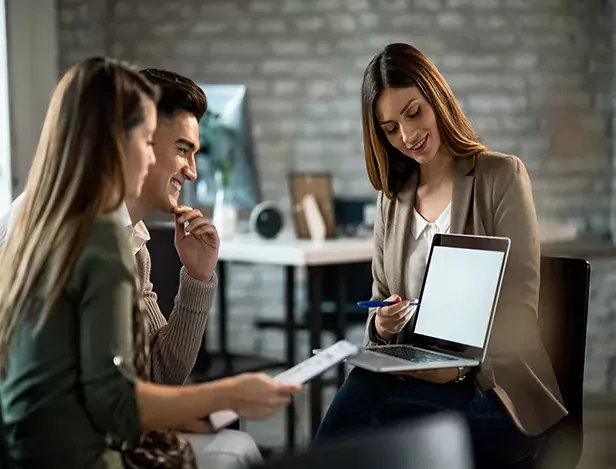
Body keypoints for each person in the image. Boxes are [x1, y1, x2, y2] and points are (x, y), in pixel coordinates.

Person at [0, 57, 301, 469]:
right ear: (116, 142)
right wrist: (226, 395)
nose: (193, 173)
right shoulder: (95, 236)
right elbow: (115, 401)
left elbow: (154, 373)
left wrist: (197, 277)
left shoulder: (121, 233)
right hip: (76, 453)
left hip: (57, 443)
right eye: (147, 140)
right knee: (237, 450)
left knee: (235, 449)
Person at [313, 43, 567, 468]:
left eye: (413, 113)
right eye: (390, 128)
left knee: (371, 410)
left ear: (436, 98)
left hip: (497, 392)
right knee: (369, 393)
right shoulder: (391, 200)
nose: (407, 136)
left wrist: (460, 369)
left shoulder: (500, 176)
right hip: (422, 383)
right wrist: (382, 322)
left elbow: (520, 310)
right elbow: (380, 304)